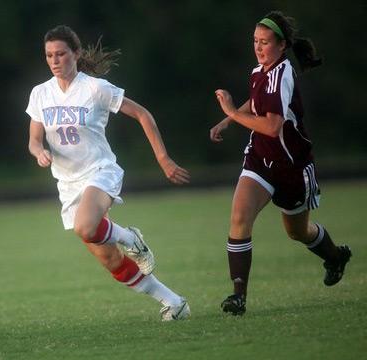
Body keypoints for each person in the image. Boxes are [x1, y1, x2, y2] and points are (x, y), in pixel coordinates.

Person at [26, 25, 191, 321]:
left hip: (99, 172)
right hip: (67, 184)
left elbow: (142, 114)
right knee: (111, 260)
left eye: (61, 54)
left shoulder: (95, 88)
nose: (54, 60)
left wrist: (164, 159)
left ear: (75, 54)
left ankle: (131, 238)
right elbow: (34, 139)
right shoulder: (40, 93)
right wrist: (39, 152)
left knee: (86, 227)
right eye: (49, 55)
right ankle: (173, 301)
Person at [210, 10, 352, 316]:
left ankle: (335, 256)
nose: (258, 47)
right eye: (255, 41)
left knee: (297, 232)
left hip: (291, 167)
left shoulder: (283, 73)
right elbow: (257, 102)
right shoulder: (258, 71)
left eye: (265, 42)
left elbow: (273, 126)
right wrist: (227, 121)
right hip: (260, 159)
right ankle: (238, 296)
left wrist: (233, 113)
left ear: (282, 45)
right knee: (239, 217)